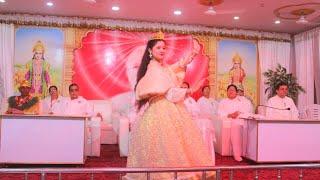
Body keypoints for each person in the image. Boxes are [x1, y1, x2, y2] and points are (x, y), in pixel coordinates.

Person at [125, 32, 214, 180]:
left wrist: (192, 54)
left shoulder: (161, 68)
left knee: (170, 149)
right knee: (166, 149)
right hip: (160, 113)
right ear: (150, 51)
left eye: (164, 48)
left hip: (169, 111)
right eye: (158, 47)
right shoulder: (153, 70)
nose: (162, 50)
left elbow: (177, 66)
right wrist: (191, 90)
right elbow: (170, 94)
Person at [217, 84, 252, 162]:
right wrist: (229, 115)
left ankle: (248, 153)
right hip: (228, 121)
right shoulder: (223, 101)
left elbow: (247, 111)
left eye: (233, 90)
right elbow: (219, 113)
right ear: (227, 92)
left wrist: (238, 113)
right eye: (229, 90)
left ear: (236, 92)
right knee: (235, 125)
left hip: (240, 120)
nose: (231, 92)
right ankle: (237, 154)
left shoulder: (242, 101)